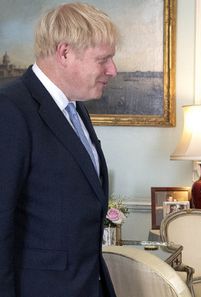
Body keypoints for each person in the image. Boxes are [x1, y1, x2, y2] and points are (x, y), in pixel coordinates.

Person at [0, 3, 119, 297]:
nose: (112, 70)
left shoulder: (76, 109)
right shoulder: (10, 110)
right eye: (103, 59)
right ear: (64, 53)